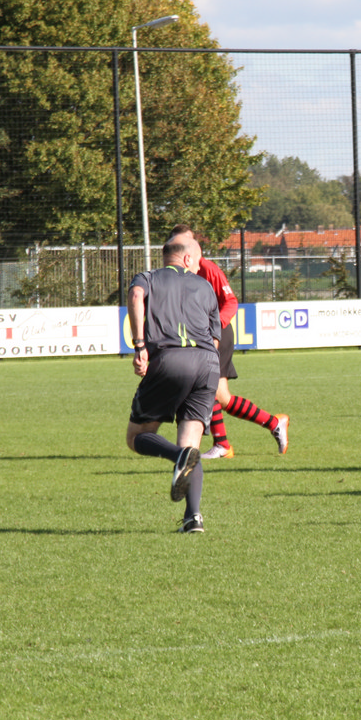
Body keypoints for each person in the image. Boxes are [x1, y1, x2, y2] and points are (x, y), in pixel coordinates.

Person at [125, 237, 221, 533]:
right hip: (208, 363)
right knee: (191, 444)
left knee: (137, 436)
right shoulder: (204, 285)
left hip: (170, 360)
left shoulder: (147, 278)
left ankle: (178, 457)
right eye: (199, 259)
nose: (200, 265)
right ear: (188, 259)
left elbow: (136, 295)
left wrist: (139, 345)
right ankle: (193, 517)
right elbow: (215, 337)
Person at [166, 225, 289, 457]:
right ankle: (274, 423)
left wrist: (214, 327)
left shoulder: (208, 269)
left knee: (207, 388)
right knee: (221, 397)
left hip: (217, 335)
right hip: (197, 337)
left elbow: (231, 302)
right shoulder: (172, 273)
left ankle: (223, 444)